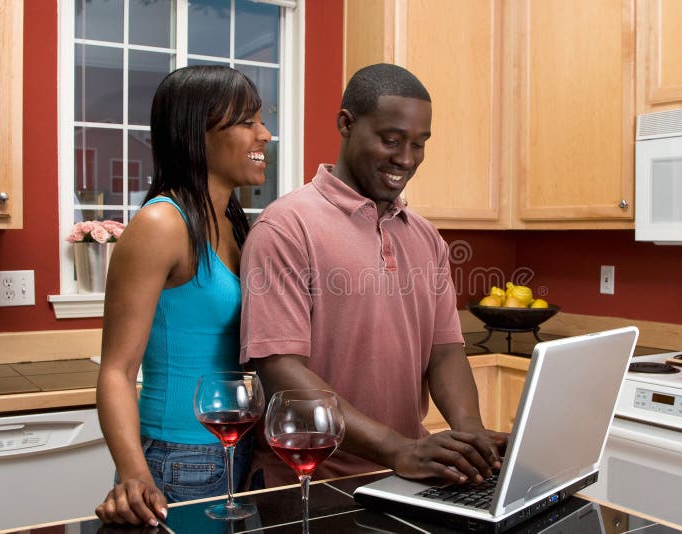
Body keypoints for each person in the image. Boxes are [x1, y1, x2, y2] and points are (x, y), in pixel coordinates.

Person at [240, 63, 507, 488]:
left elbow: (445, 352)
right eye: (391, 140)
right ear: (346, 124)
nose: (406, 159)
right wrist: (395, 447)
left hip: (404, 477)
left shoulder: (426, 237)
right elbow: (281, 371)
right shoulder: (286, 227)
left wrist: (470, 432)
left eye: (419, 144)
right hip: (308, 483)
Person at [95, 65, 272, 526]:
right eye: (247, 121)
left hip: (237, 447)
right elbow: (116, 370)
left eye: (262, 119)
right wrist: (134, 475)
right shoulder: (162, 225)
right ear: (197, 133)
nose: (265, 134)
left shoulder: (235, 225)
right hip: (178, 458)